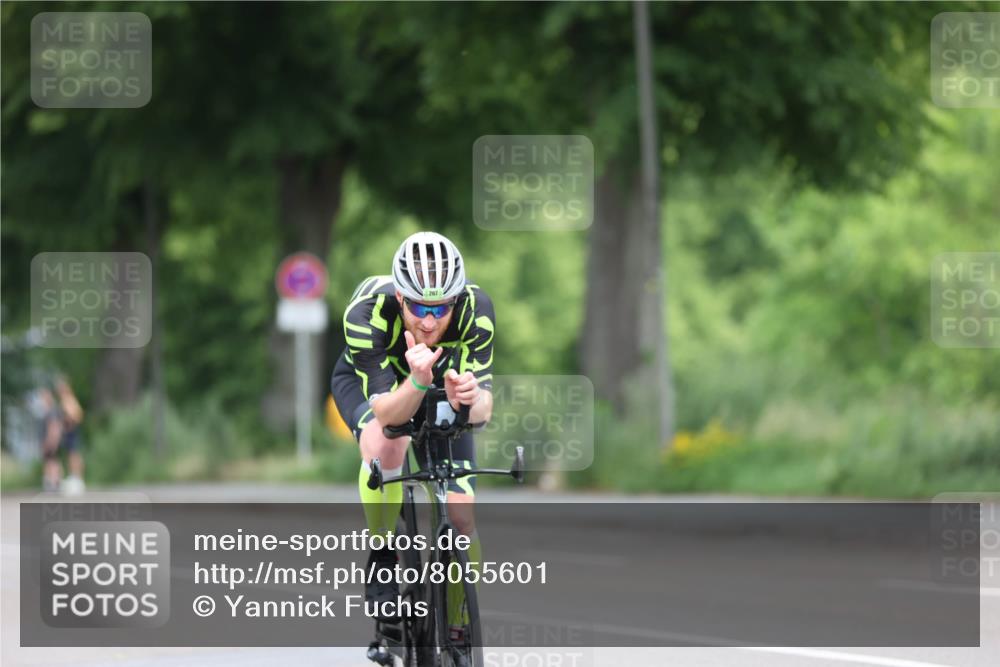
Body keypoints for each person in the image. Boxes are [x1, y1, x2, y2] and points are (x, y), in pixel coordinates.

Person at [330, 231, 495, 637]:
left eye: (441, 308)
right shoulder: (366, 313)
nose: (428, 320)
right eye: (419, 306)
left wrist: (471, 398)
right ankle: (384, 550)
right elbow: (387, 415)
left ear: (457, 300)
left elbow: (484, 412)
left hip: (439, 384)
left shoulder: (477, 309)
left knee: (460, 514)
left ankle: (458, 624)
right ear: (401, 298)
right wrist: (418, 383)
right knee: (387, 445)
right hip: (375, 384)